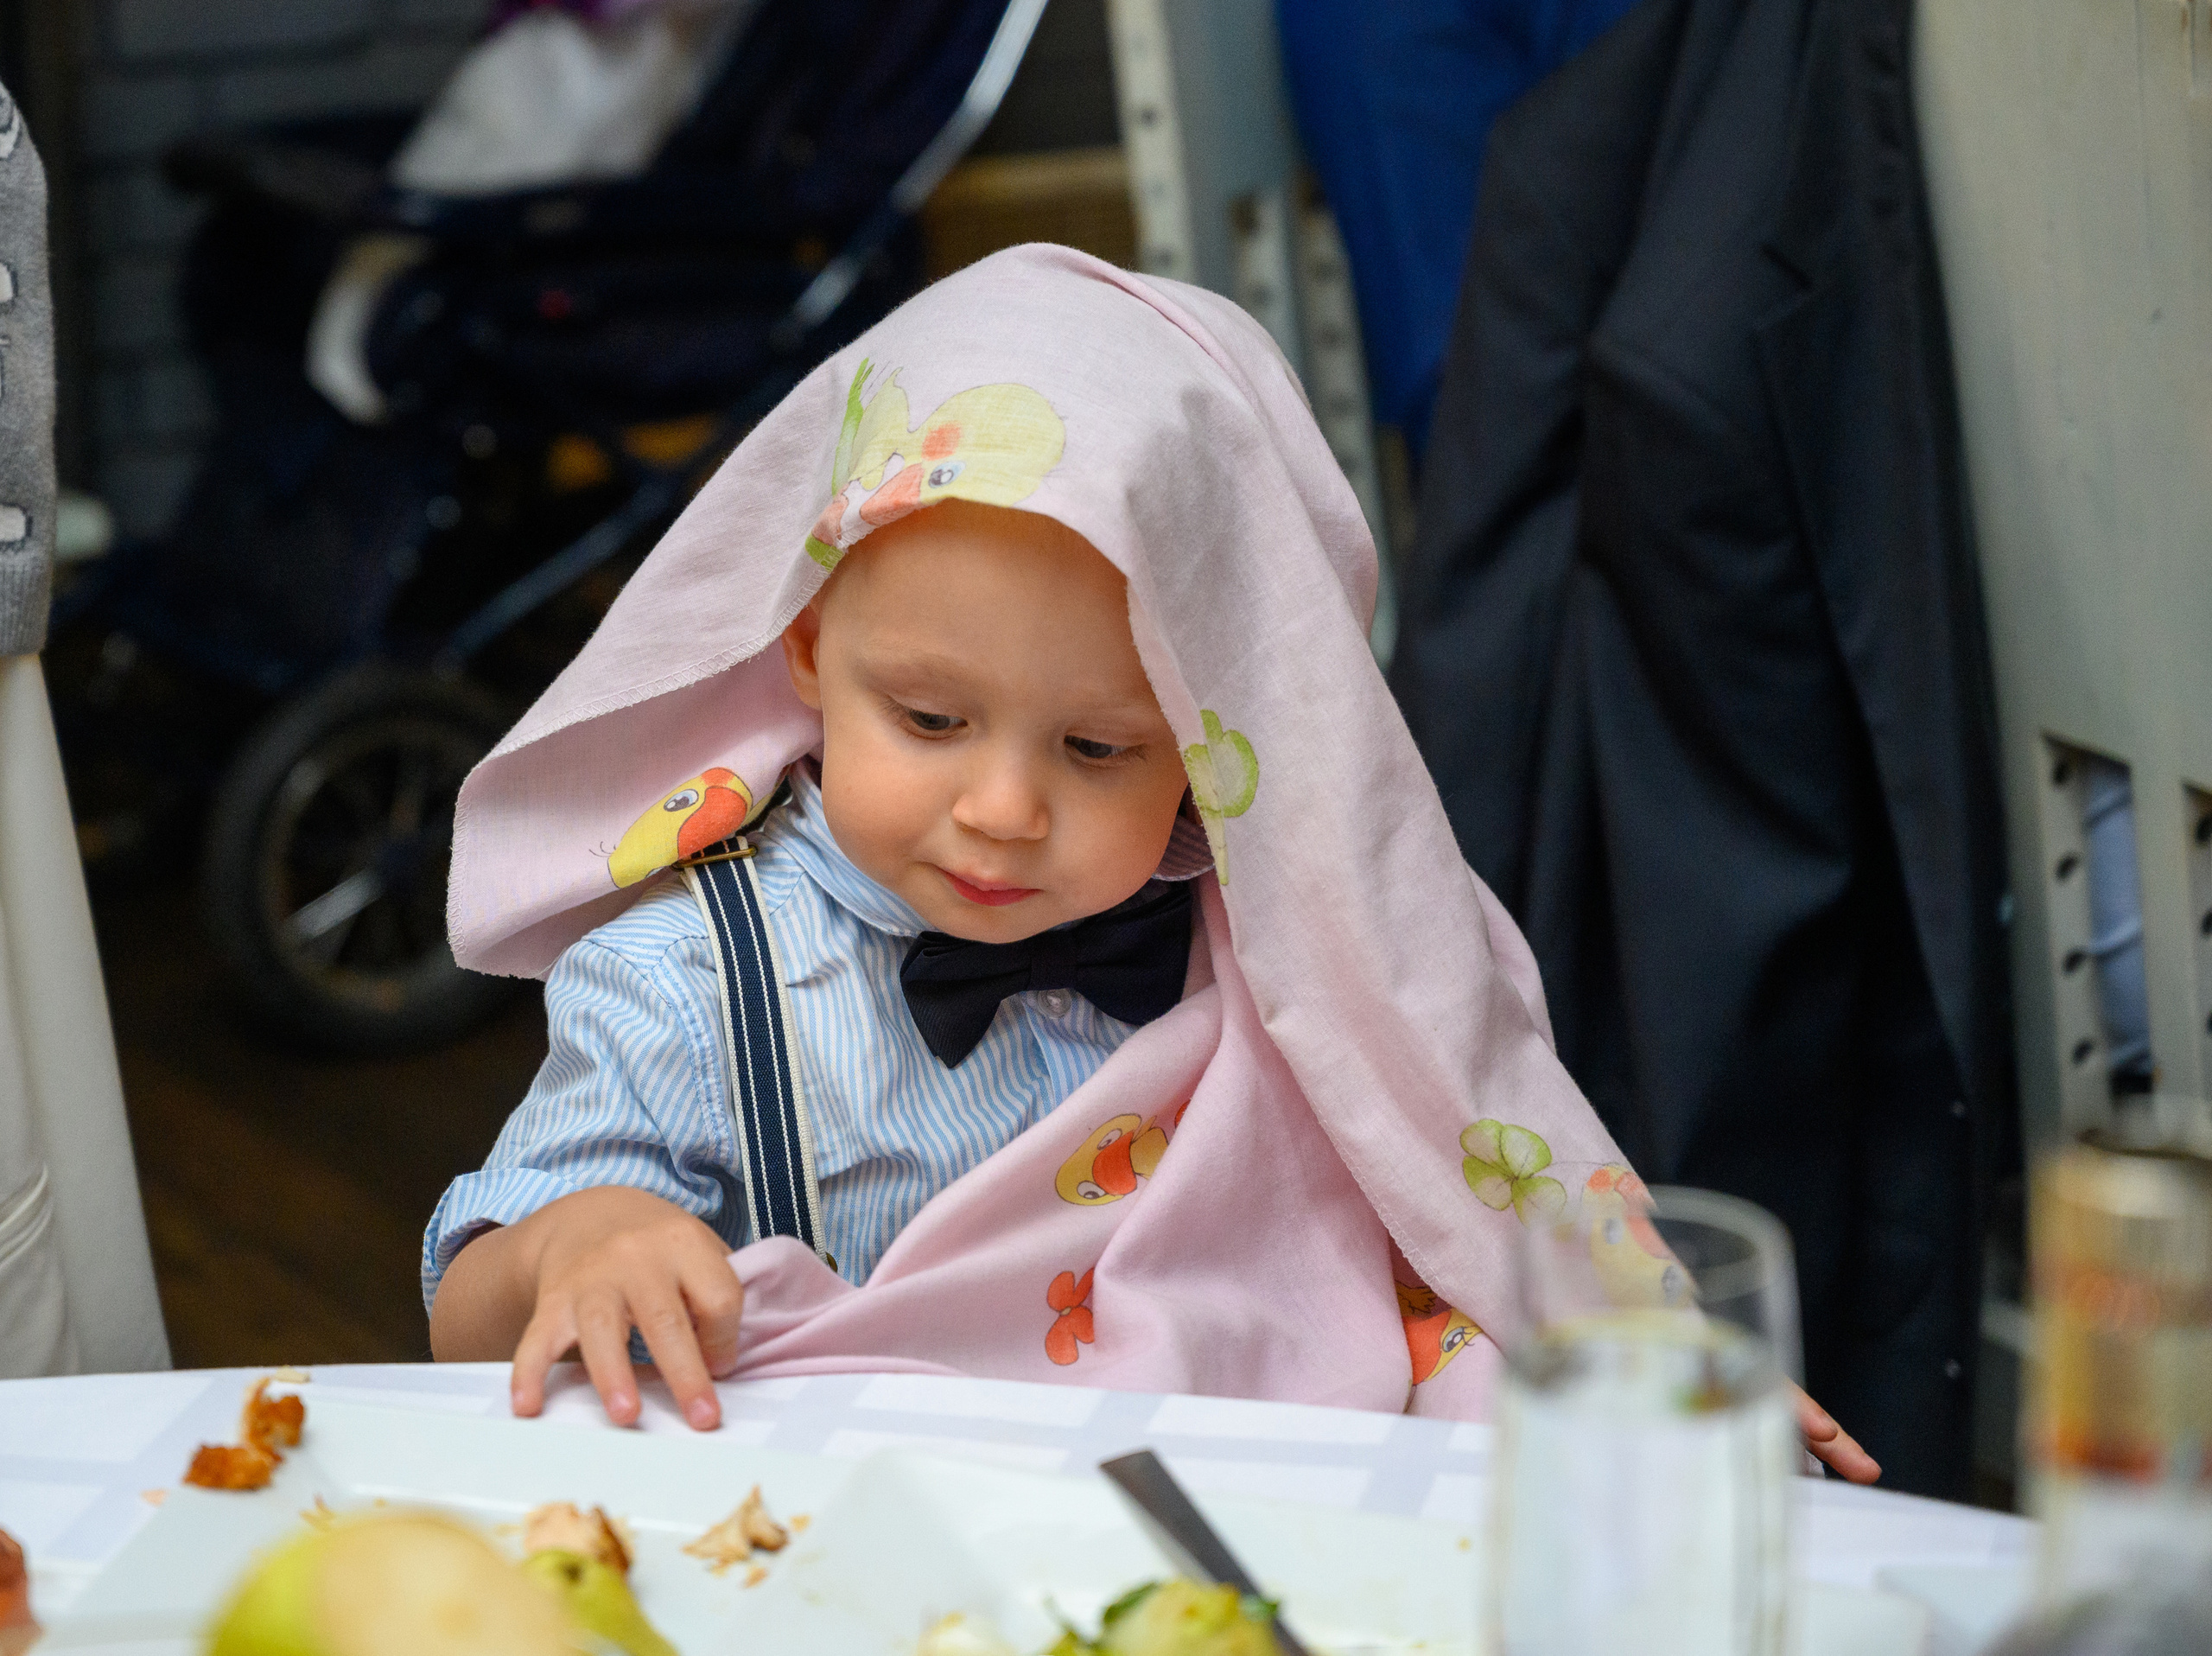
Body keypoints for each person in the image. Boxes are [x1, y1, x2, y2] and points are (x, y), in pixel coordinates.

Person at [423, 245, 1875, 1479]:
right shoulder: (683, 981)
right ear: (808, 649)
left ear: (1217, 739)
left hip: (1238, 1527)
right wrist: (577, 1244)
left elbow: (1458, 1208)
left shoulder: (1306, 964)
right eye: (930, 718)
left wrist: (1621, 1347)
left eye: (1101, 750)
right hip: (861, 1548)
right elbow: (463, 1312)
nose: (1002, 807)